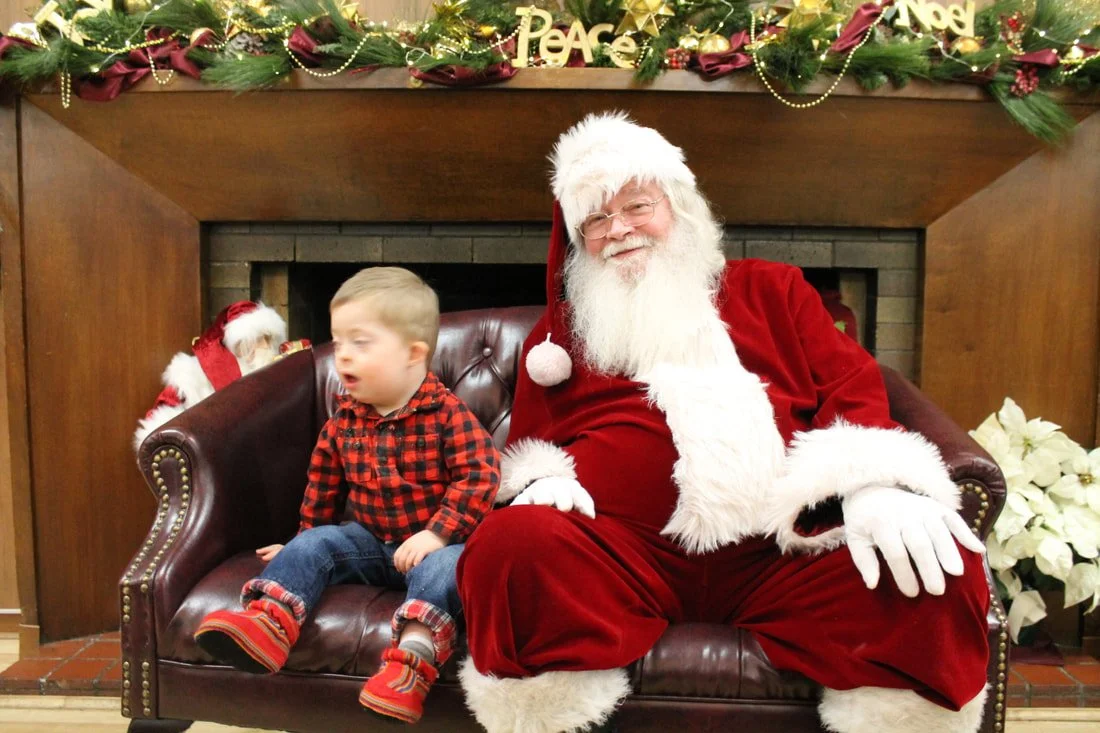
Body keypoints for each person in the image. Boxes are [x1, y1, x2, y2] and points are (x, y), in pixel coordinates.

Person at [455, 113, 990, 733]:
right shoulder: (558, 341)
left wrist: (875, 483)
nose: (619, 229)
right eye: (596, 220)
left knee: (932, 564)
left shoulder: (777, 291)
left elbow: (852, 387)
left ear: (677, 207)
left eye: (635, 205)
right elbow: (532, 444)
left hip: (782, 552)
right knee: (506, 549)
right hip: (622, 559)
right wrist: (540, 482)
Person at [194, 267, 500, 724]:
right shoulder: (343, 422)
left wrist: (437, 535)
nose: (344, 358)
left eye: (361, 343)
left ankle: (411, 665)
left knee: (446, 569)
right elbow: (321, 490)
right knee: (319, 543)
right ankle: (269, 623)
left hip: (434, 546)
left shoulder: (447, 416)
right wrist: (302, 542)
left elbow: (480, 476)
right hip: (371, 544)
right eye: (338, 344)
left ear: (413, 355)